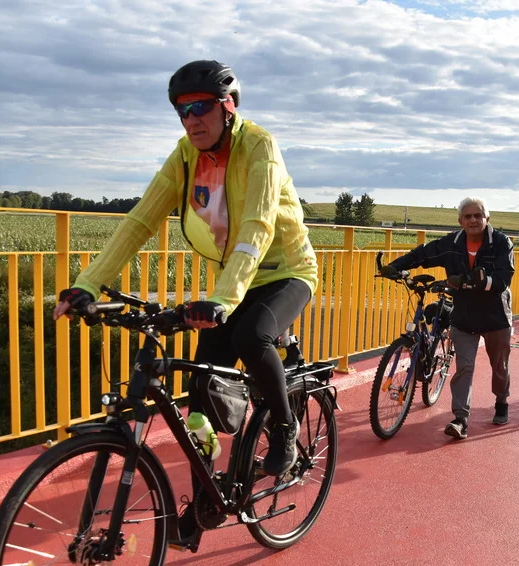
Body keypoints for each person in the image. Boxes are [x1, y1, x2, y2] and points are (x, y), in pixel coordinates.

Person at [52, 60, 319, 485]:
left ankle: (285, 427)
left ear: (227, 107)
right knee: (199, 396)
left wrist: (222, 301)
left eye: (200, 107)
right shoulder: (185, 154)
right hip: (233, 281)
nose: (190, 119)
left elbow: (258, 226)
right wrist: (87, 284)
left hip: (285, 272)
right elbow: (140, 220)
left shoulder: (259, 146)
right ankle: (205, 497)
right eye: (181, 110)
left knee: (251, 335)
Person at [380, 197, 514, 440]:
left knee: (500, 366)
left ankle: (502, 400)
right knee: (464, 367)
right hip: (464, 315)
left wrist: (469, 280)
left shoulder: (501, 243)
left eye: (478, 215)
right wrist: (394, 267)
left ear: (487, 218)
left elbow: (503, 280)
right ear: (460, 220)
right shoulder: (451, 242)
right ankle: (460, 419)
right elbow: (422, 255)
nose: (473, 220)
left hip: (495, 315)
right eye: (468, 216)